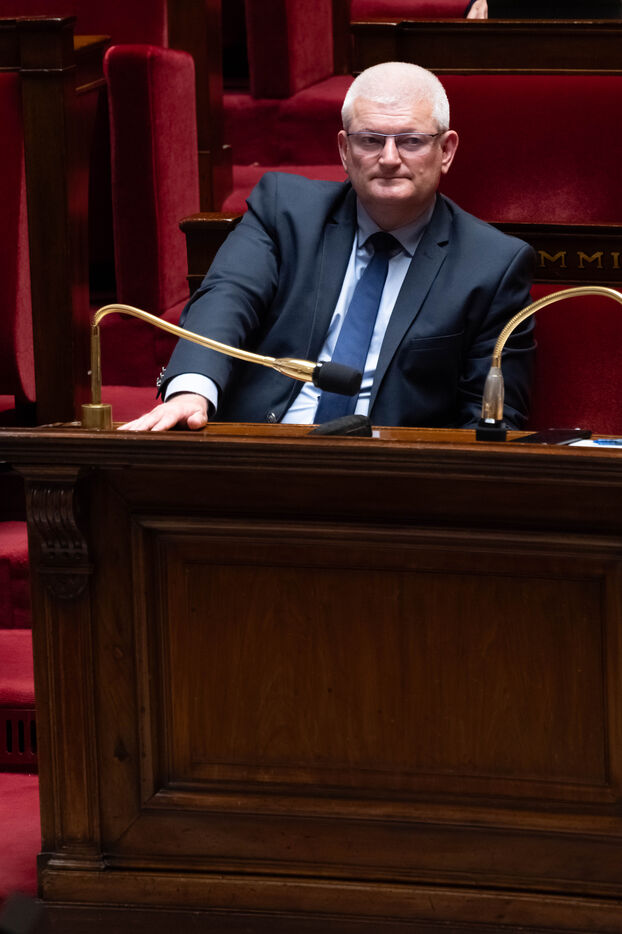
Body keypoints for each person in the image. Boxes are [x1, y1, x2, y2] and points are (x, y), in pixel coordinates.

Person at [123, 61, 535, 432]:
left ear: (446, 151)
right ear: (344, 150)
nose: (389, 158)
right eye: (370, 140)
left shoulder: (491, 265)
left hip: (392, 473)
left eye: (411, 141)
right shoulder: (285, 212)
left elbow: (488, 419)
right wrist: (192, 391)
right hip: (262, 451)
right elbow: (227, 299)